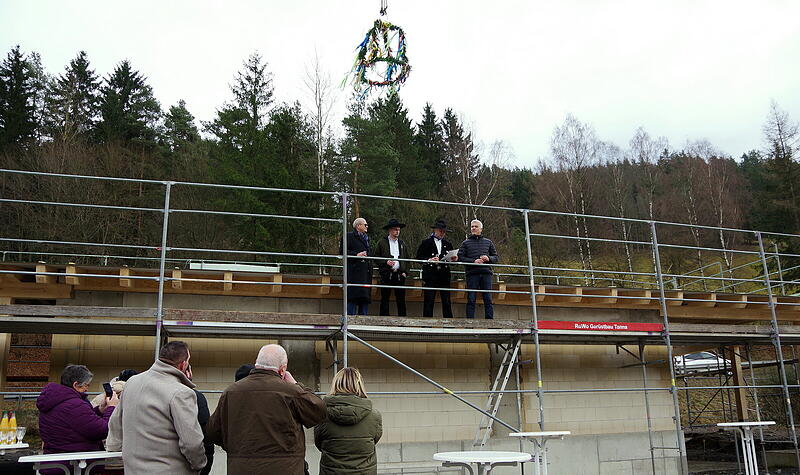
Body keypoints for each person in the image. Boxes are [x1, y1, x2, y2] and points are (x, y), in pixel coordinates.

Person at [207, 344, 326, 475]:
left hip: (242, 468)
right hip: (285, 469)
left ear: (257, 364)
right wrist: (297, 385)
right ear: (282, 370)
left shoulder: (231, 392)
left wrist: (237, 448)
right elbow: (318, 411)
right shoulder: (290, 392)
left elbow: (213, 432)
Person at [106, 341, 207, 475]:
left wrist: (115, 454)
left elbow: (115, 424)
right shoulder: (181, 393)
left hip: (133, 469)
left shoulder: (132, 382)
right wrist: (199, 464)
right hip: (169, 470)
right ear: (183, 364)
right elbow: (191, 443)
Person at [37, 364, 118, 475]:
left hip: (56, 463)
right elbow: (102, 430)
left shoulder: (56, 400)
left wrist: (100, 410)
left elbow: (79, 422)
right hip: (75, 466)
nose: (87, 389)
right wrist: (111, 408)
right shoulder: (74, 404)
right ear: (76, 385)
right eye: (86, 385)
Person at [314, 367, 382, 475]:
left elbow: (319, 444)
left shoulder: (322, 415)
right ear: (359, 385)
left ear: (336, 384)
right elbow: (374, 440)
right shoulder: (374, 416)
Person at [457, 219, 499, 319]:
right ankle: (470, 322)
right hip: (472, 274)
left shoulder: (488, 242)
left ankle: (490, 323)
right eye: (472, 226)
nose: (474, 228)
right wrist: (473, 261)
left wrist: (488, 258)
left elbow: (496, 257)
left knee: (488, 299)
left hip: (486, 273)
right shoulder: (465, 243)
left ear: (481, 229)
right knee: (471, 299)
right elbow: (460, 257)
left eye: (476, 226)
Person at [416, 219, 457, 318]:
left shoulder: (448, 244)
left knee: (446, 301)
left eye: (444, 232)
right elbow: (418, 258)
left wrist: (454, 259)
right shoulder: (426, 243)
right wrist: (429, 259)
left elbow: (452, 260)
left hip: (444, 275)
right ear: (435, 230)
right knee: (429, 300)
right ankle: (427, 324)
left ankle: (448, 324)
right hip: (430, 275)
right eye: (440, 231)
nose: (442, 233)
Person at [374, 218, 410, 316]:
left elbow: (408, 259)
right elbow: (375, 258)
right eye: (395, 229)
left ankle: (403, 320)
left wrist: (405, 272)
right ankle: (384, 319)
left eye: (398, 229)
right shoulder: (382, 242)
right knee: (385, 298)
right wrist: (386, 262)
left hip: (399, 274)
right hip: (387, 274)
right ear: (389, 230)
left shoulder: (402, 243)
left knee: (401, 299)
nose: (397, 231)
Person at [343, 217, 372, 315]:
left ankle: (364, 322)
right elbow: (343, 252)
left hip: (365, 273)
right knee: (352, 297)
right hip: (354, 273)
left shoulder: (367, 238)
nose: (367, 226)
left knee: (364, 298)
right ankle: (350, 320)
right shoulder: (348, 236)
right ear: (358, 226)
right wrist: (356, 255)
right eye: (365, 224)